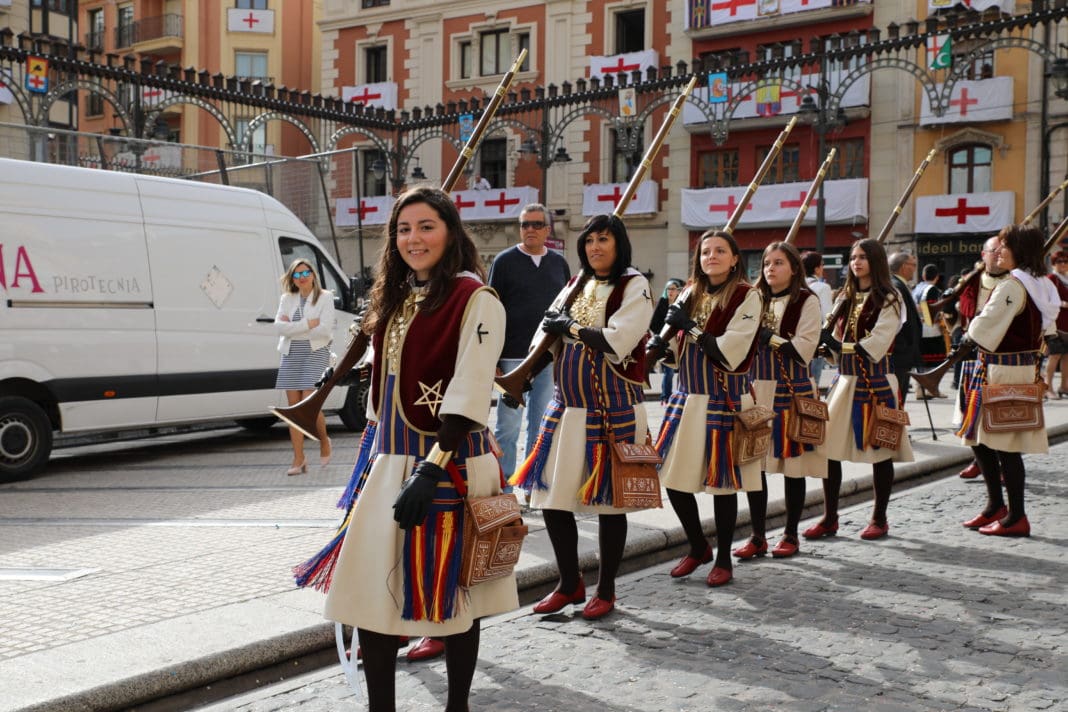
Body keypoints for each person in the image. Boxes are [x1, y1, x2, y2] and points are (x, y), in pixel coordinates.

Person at [322, 187, 518, 711]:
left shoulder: (476, 298)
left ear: (450, 231)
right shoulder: (400, 296)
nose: (414, 238)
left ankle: (458, 706)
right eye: (404, 229)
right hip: (390, 459)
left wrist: (431, 471)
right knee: (371, 598)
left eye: (426, 226)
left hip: (447, 463)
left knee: (455, 599)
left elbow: (471, 388)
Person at [510, 214, 653, 620]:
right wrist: (520, 378)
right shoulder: (576, 283)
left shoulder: (635, 285)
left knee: (611, 504)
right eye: (589, 240)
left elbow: (619, 339)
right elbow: (545, 332)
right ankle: (569, 582)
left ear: (619, 243)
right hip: (567, 406)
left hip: (614, 409)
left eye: (603, 239)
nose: (594, 247)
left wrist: (570, 328)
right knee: (553, 500)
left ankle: (605, 589)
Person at [648, 229, 763, 587]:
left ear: (733, 259)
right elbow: (682, 353)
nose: (711, 256)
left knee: (722, 485)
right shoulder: (689, 293)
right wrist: (660, 348)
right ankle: (698, 545)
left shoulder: (748, 296)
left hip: (721, 399)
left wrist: (692, 330)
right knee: (672, 478)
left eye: (719, 251)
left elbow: (732, 350)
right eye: (705, 251)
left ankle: (725, 558)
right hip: (685, 397)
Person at [805, 238, 914, 541]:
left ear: (875, 261)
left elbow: (878, 343)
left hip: (877, 382)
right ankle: (830, 517)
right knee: (828, 451)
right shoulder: (845, 297)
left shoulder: (890, 297)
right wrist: (825, 345)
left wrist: (839, 345)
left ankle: (879, 517)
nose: (856, 262)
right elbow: (836, 347)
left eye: (863, 257)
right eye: (853, 257)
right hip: (845, 381)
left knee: (881, 451)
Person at [958, 224, 1059, 537]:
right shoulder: (1040, 284)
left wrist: (967, 336)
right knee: (983, 441)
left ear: (1019, 250)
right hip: (1006, 370)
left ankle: (1015, 515)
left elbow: (985, 324)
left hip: (1002, 372)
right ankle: (996, 506)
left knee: (1005, 448)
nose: (998, 251)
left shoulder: (1012, 286)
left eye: (1004, 246)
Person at [734, 242, 826, 560]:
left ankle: (790, 533)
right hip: (758, 388)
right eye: (766, 262)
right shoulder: (752, 298)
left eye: (778, 262)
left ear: (794, 268)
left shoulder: (806, 301)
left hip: (792, 389)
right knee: (754, 465)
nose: (770, 268)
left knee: (792, 466)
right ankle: (758, 535)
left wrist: (769, 337)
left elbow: (805, 346)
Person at [488, 204, 571, 477]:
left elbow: (567, 311)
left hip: (547, 358)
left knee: (541, 426)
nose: (530, 229)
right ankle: (505, 489)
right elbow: (491, 311)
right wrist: (493, 361)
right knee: (507, 429)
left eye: (537, 224)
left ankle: (532, 484)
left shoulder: (559, 263)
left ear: (548, 229)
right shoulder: (503, 262)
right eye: (525, 224)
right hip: (511, 357)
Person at [953, 236, 1009, 479]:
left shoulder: (1012, 283)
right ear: (983, 254)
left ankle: (1005, 463)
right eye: (992, 251)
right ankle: (980, 460)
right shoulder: (972, 281)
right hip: (972, 350)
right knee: (971, 412)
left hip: (1001, 354)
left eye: (1001, 251)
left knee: (999, 412)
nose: (997, 255)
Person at [274, 259, 335, 475]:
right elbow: (280, 328)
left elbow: (325, 331)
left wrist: (294, 328)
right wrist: (309, 324)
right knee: (293, 410)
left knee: (310, 404)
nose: (302, 278)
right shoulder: (287, 298)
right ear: (292, 279)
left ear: (313, 274)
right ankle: (299, 458)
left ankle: (324, 441)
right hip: (291, 355)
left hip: (316, 353)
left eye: (305, 273)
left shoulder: (325, 297)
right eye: (297, 275)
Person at [888, 251, 922, 404]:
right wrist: (907, 349)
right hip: (899, 355)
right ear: (903, 267)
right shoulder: (896, 286)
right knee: (897, 400)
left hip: (903, 355)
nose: (915, 269)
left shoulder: (898, 284)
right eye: (913, 265)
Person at [801, 251, 833, 391]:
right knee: (812, 384)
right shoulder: (822, 287)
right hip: (815, 340)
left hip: (795, 340)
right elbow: (827, 316)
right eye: (822, 265)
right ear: (816, 268)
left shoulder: (794, 287)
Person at [912, 264, 948, 388]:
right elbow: (929, 310)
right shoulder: (932, 290)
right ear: (937, 277)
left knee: (923, 361)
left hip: (919, 327)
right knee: (932, 362)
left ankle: (920, 388)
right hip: (930, 329)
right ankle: (927, 388)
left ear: (923, 275)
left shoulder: (917, 288)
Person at [649, 278, 685, 403]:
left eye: (674, 289)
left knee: (683, 370)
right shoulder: (663, 303)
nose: (671, 291)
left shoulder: (682, 302)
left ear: (678, 291)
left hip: (680, 341)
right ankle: (666, 397)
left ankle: (681, 395)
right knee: (668, 371)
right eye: (669, 289)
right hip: (666, 343)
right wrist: (663, 334)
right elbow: (653, 323)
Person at [1044, 250, 1068, 398]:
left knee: (1067, 357)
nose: (1064, 264)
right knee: (1055, 356)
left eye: (1066, 261)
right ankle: (1048, 388)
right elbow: (1045, 299)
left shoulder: (1066, 278)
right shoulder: (1051, 278)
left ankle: (1064, 386)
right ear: (1054, 263)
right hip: (1055, 324)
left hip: (1067, 324)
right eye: (1060, 261)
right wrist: (1062, 303)